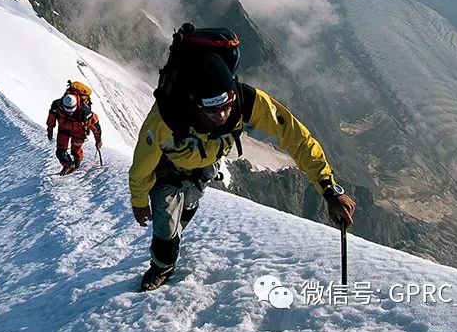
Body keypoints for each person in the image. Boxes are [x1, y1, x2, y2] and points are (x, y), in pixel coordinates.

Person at [129, 43, 356, 291]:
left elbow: (297, 139)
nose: (222, 115)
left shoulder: (248, 101)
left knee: (189, 205)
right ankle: (162, 266)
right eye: (213, 109)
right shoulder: (167, 117)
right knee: (165, 228)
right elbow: (142, 164)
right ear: (195, 102)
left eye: (227, 105)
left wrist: (329, 189)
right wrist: (139, 201)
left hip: (203, 167)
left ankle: (177, 230)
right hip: (167, 170)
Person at [47, 81, 102, 175]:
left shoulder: (85, 112)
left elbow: (95, 126)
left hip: (78, 131)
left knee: (76, 150)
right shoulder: (57, 106)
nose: (70, 113)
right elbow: (51, 119)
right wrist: (50, 130)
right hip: (63, 130)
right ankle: (68, 166)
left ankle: (77, 161)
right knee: (60, 151)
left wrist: (98, 140)